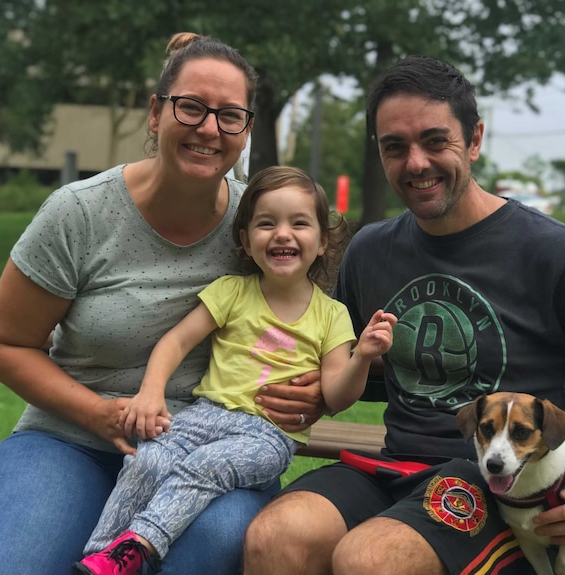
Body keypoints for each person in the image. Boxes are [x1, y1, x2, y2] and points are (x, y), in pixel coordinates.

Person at [242, 55, 565, 575]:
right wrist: (311, 392)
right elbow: (341, 370)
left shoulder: (554, 254)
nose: (415, 163)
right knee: (275, 538)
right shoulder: (369, 251)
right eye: (395, 147)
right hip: (393, 465)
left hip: (504, 488)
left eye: (436, 141)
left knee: (369, 560)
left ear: (474, 139)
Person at [0, 33, 328, 575]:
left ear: (246, 130)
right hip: (69, 443)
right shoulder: (79, 214)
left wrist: (321, 389)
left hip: (207, 452)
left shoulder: (262, 227)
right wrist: (98, 414)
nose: (209, 128)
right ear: (155, 113)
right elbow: (4, 343)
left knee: (202, 552)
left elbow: (316, 321)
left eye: (229, 115)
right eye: (190, 107)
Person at [75, 165, 397, 575]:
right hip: (205, 414)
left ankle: (141, 544)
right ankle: (100, 557)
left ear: (321, 242)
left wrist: (363, 357)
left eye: (299, 223)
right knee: (147, 460)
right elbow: (175, 341)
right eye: (267, 224)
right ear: (246, 241)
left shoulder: (332, 316)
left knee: (204, 466)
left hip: (267, 434)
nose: (282, 234)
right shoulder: (231, 292)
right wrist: (151, 393)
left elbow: (336, 395)